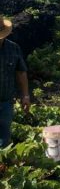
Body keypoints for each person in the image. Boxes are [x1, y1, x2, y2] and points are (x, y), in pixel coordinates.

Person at [0, 16, 30, 148]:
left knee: (4, 138)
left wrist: (25, 95)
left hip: (6, 102)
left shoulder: (13, 48)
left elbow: (21, 72)